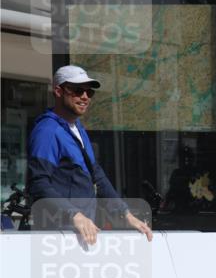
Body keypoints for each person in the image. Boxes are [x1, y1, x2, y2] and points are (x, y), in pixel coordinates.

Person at [27, 65, 152, 244]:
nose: (85, 97)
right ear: (58, 91)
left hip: (83, 233)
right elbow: (38, 183)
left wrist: (126, 215)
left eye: (89, 92)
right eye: (78, 91)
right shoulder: (47, 131)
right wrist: (75, 216)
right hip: (58, 237)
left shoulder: (77, 127)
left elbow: (97, 176)